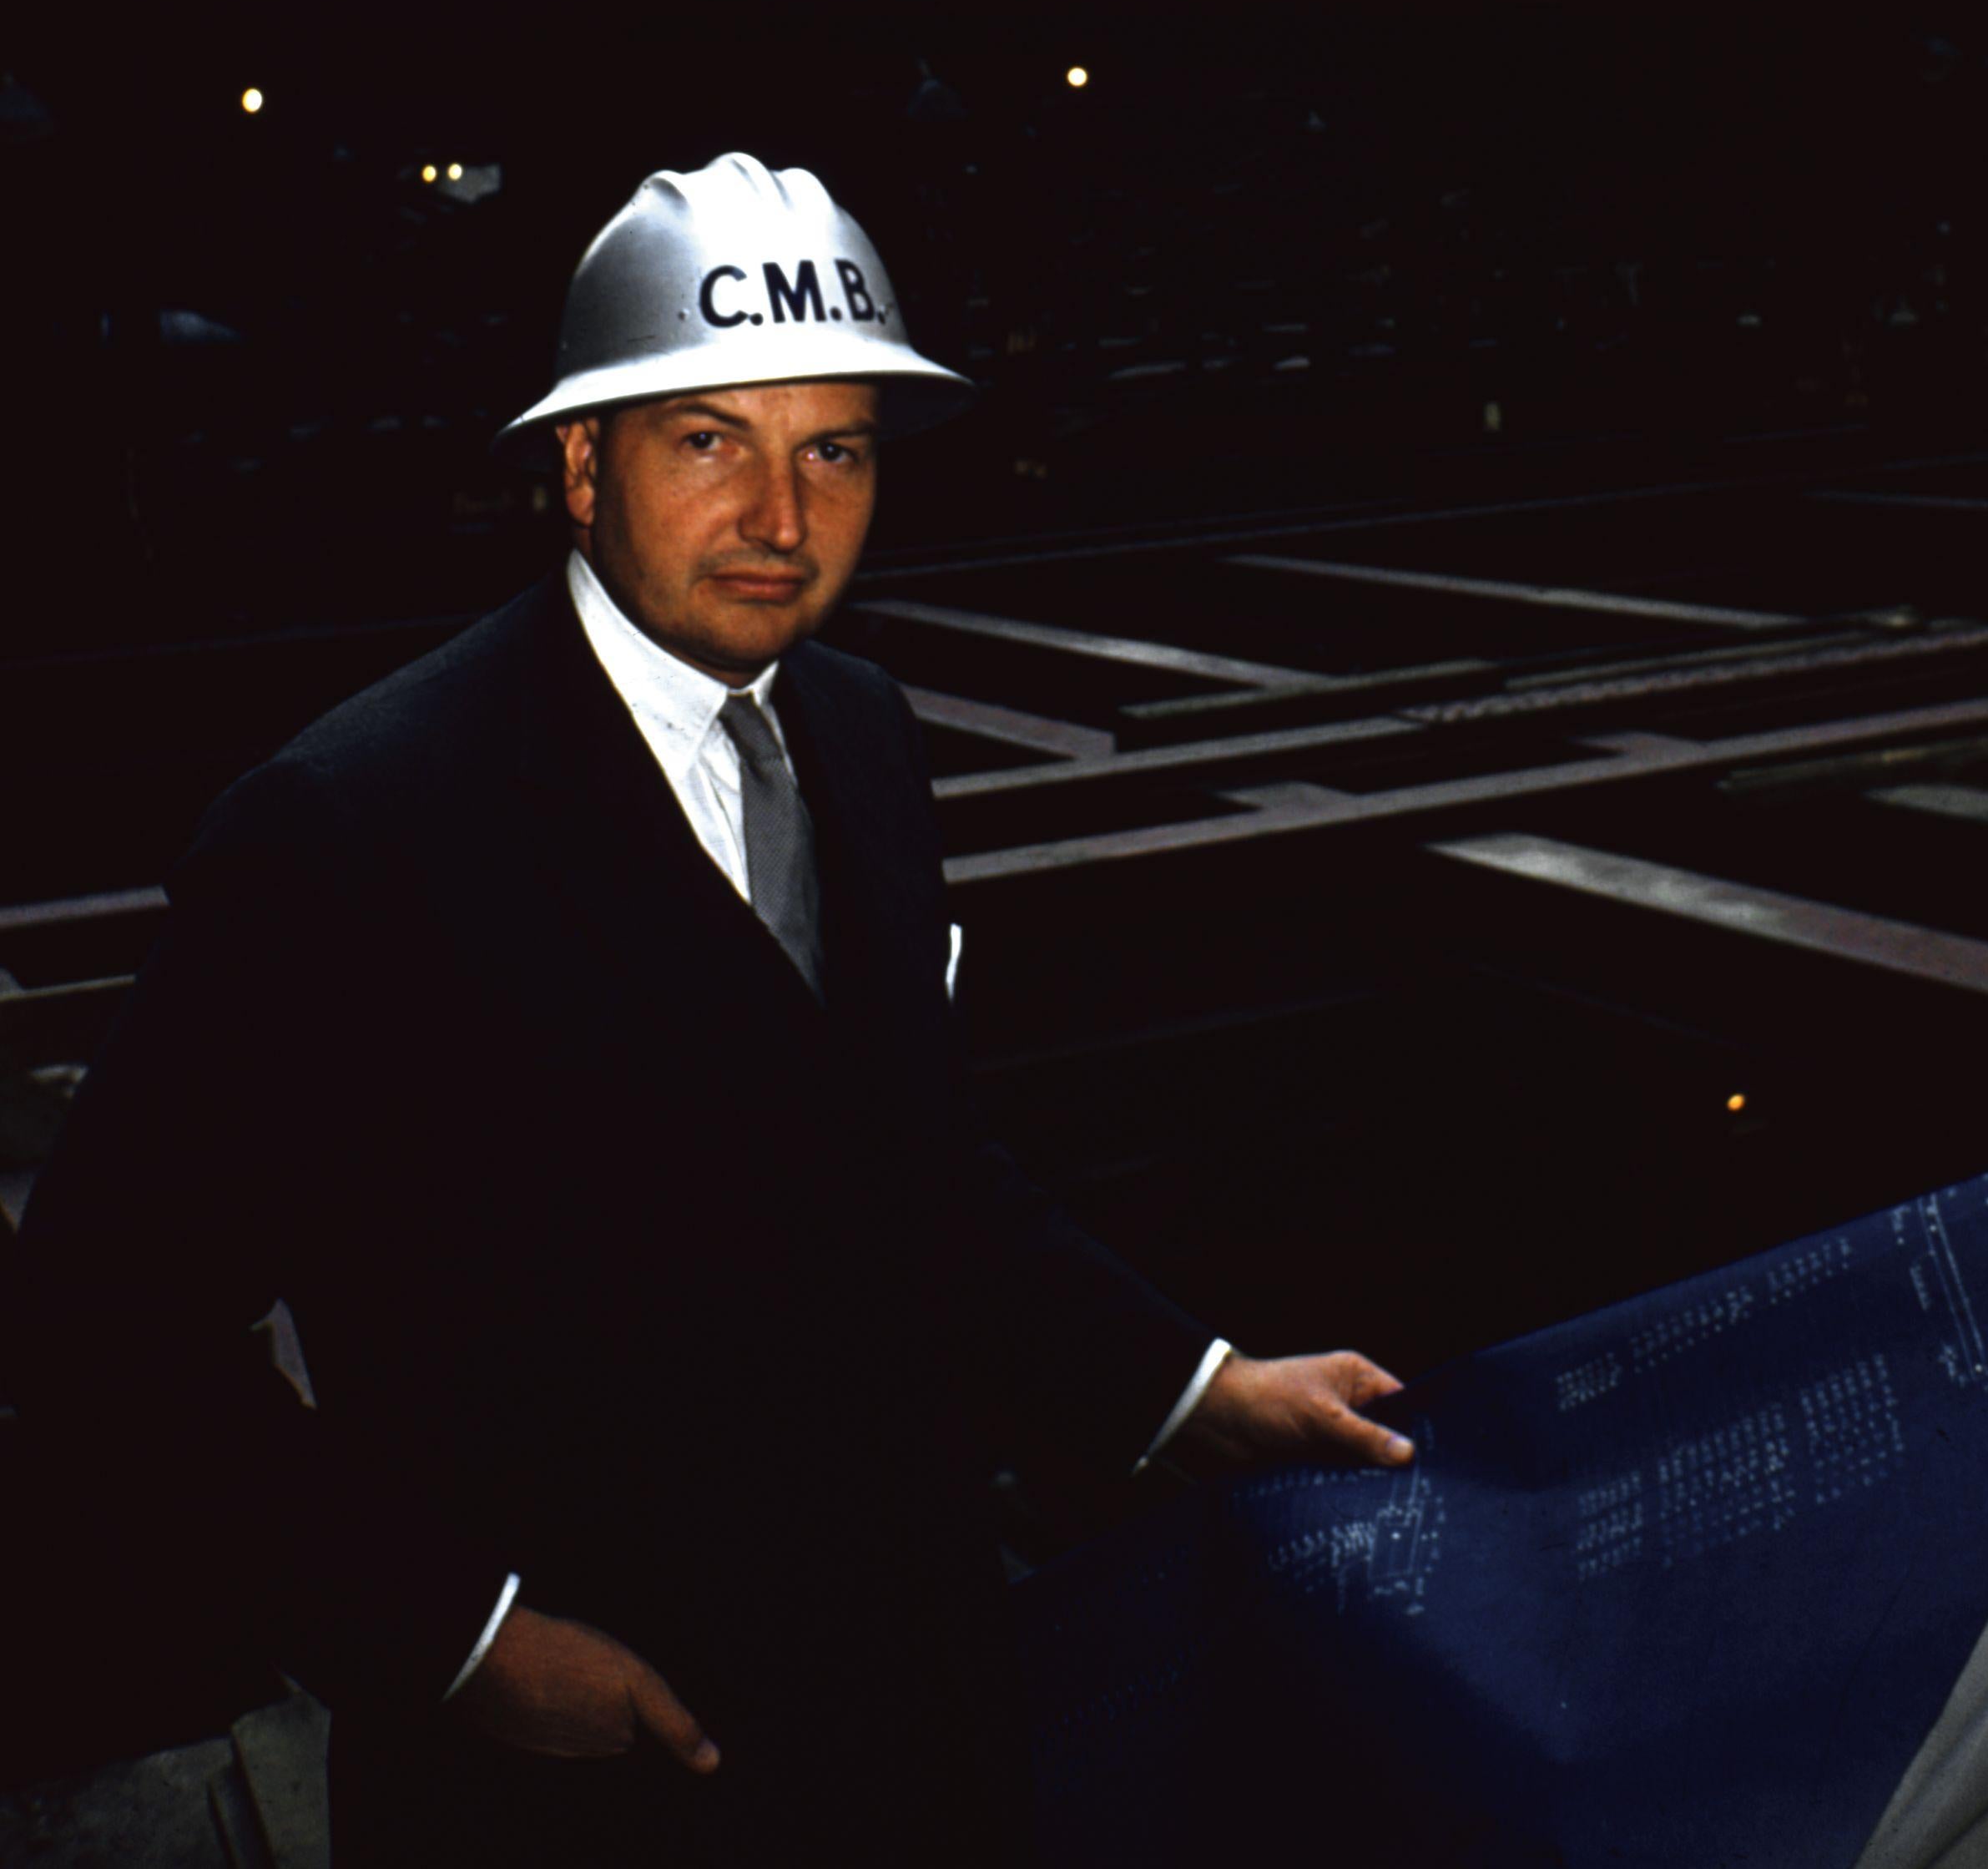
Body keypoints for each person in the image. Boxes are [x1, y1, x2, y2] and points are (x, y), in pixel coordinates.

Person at [6, 153, 1415, 1866]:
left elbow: (918, 1173)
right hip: (577, 1786)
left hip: (912, 1719)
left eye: (835, 448)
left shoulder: (866, 733)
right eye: (710, 440)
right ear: (581, 461)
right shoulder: (355, 825)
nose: (781, 516)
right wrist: (461, 1639)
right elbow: (104, 1322)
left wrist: (1194, 1385)